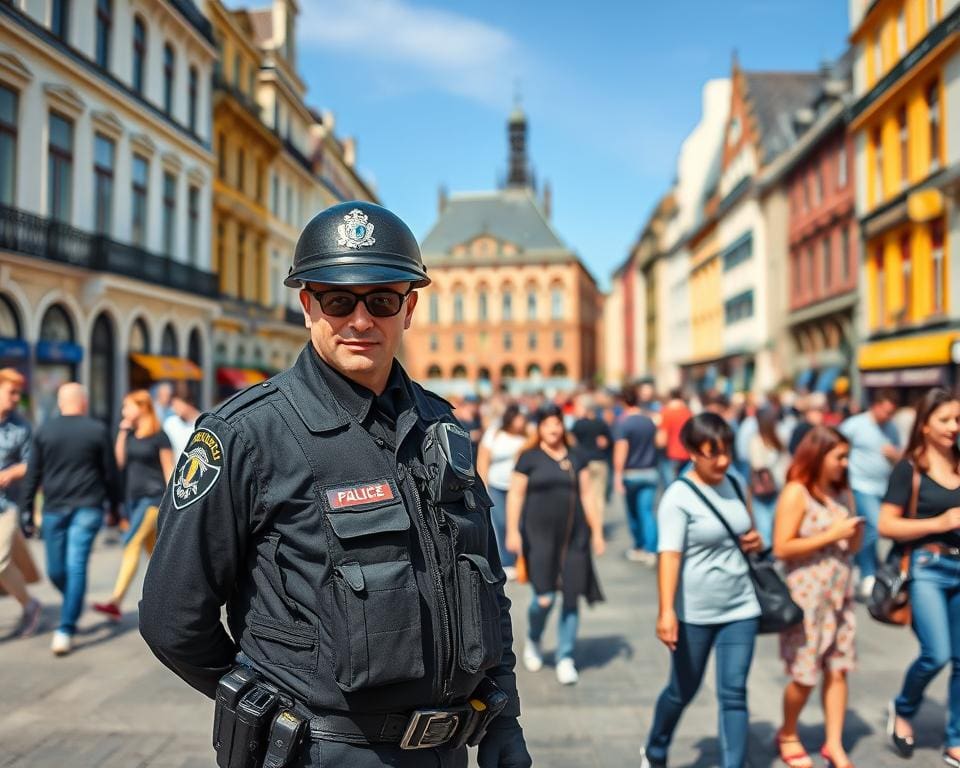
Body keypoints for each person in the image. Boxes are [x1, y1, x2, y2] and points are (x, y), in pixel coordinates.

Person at [139, 201, 531, 768]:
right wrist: (262, 706)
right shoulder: (247, 433)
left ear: (409, 307)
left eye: (382, 300)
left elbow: (485, 581)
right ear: (308, 305)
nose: (361, 320)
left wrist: (504, 717)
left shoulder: (440, 425)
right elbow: (172, 616)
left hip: (448, 751)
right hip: (325, 751)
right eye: (339, 300)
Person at [641, 413, 763, 768]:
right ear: (693, 452)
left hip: (741, 607)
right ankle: (656, 748)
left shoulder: (735, 481)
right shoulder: (679, 497)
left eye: (726, 451)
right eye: (714, 453)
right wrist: (666, 611)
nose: (723, 460)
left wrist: (754, 540)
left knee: (734, 694)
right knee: (682, 690)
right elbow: (669, 556)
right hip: (694, 612)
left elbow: (744, 528)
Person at [878, 388, 960, 766]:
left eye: (957, 420)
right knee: (936, 654)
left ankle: (955, 738)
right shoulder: (909, 469)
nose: (954, 427)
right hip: (927, 567)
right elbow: (886, 524)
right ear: (924, 425)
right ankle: (903, 707)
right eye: (945, 420)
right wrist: (940, 522)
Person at [772, 427, 862, 768]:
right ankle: (789, 732)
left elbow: (850, 547)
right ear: (818, 455)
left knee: (838, 670)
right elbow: (782, 546)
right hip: (808, 598)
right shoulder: (797, 492)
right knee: (805, 674)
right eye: (838, 456)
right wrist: (832, 533)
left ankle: (834, 744)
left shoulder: (840, 493)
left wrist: (853, 534)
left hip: (840, 596)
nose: (844, 463)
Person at [505, 404, 604, 686]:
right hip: (539, 536)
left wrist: (597, 532)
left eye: (557, 423)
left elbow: (587, 495)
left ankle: (565, 656)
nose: (553, 429)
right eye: (547, 423)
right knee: (544, 599)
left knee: (571, 597)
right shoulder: (528, 458)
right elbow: (515, 496)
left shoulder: (576, 457)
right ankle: (534, 639)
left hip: (575, 536)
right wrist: (512, 531)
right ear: (539, 427)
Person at [21, 383, 120, 655]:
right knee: (57, 570)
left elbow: (32, 474)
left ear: (61, 402)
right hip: (59, 508)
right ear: (83, 402)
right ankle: (73, 602)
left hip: (83, 508)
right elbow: (111, 474)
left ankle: (65, 627)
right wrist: (115, 505)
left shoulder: (53, 429)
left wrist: (26, 510)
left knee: (73, 567)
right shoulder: (86, 430)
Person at [92, 390, 173, 621]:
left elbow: (169, 469)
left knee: (131, 543)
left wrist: (173, 503)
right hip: (133, 500)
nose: (123, 412)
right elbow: (119, 462)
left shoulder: (160, 435)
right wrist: (122, 432)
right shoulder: (130, 435)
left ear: (143, 407)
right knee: (157, 555)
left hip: (153, 499)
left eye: (127, 406)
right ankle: (177, 594)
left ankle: (115, 601)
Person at [840, 388, 900, 599]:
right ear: (875, 406)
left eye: (891, 413)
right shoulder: (855, 425)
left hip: (882, 487)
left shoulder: (891, 427)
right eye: (885, 411)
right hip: (860, 485)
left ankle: (868, 566)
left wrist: (894, 455)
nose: (888, 416)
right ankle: (868, 572)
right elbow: (837, 446)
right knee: (875, 526)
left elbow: (899, 452)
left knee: (868, 531)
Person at [0, 368, 40, 637]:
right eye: (11, 392)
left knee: (0, 561)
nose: (16, 398)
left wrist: (12, 472)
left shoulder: (21, 426)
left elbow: (33, 463)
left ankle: (30, 605)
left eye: (19, 393)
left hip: (6, 505)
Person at [477, 404, 528, 577]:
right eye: (519, 418)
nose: (522, 422)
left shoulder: (529, 434)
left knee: (518, 522)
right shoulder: (495, 433)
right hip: (496, 484)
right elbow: (483, 458)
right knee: (500, 522)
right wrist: (483, 486)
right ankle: (506, 561)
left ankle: (519, 559)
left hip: (519, 486)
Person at [613, 386, 659, 564]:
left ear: (624, 402)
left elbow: (621, 450)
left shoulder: (624, 423)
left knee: (633, 513)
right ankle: (651, 549)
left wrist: (617, 475)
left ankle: (639, 546)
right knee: (647, 512)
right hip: (650, 470)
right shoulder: (649, 421)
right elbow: (659, 442)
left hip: (631, 472)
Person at [571, 393, 612, 549]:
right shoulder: (601, 423)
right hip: (599, 462)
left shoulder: (578, 425)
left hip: (583, 464)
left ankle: (588, 528)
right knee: (598, 498)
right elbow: (609, 442)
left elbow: (572, 443)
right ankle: (597, 528)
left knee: (585, 496)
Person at [748, 407, 790, 547]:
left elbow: (757, 464)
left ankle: (771, 558)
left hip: (773, 489)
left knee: (769, 527)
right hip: (773, 489)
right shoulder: (766, 440)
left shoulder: (766, 439)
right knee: (771, 527)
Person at [657, 388, 691, 488]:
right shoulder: (688, 412)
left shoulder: (666, 412)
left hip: (670, 455)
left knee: (671, 487)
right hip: (687, 454)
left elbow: (661, 441)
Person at [163, 392, 201, 460]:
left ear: (189, 404)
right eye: (173, 405)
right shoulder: (170, 423)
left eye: (178, 405)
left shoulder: (202, 423)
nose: (174, 409)